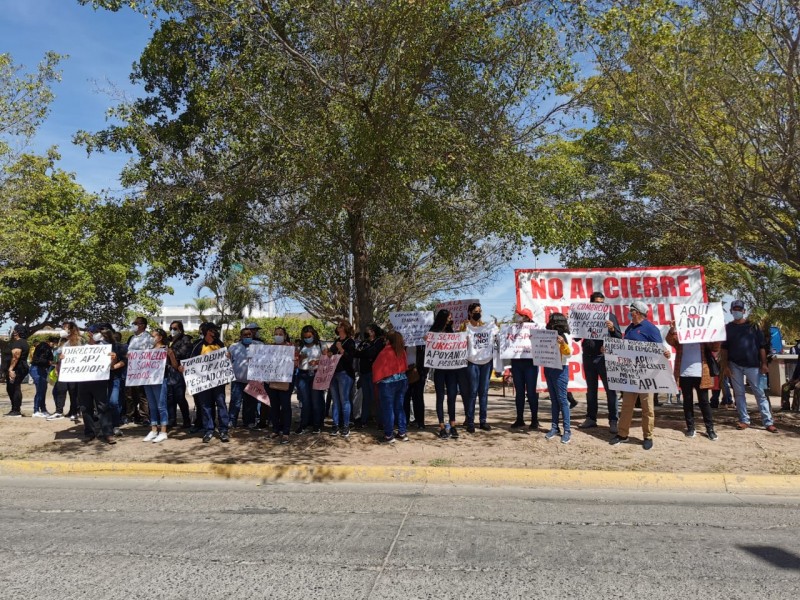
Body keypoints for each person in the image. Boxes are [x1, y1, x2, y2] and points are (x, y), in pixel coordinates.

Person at [610, 301, 671, 450]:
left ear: (637, 312)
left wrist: (665, 353)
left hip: (647, 375)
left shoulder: (651, 329)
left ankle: (647, 436)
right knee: (626, 406)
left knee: (647, 407)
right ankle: (622, 434)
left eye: (631, 310)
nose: (629, 313)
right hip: (631, 373)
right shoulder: (630, 328)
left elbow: (658, 349)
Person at [719, 299, 777, 432]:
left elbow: (762, 347)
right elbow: (724, 349)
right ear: (731, 311)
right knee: (739, 394)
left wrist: (764, 364)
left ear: (744, 311)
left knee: (760, 393)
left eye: (739, 309)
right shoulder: (728, 328)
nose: (737, 312)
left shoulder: (753, 326)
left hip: (753, 366)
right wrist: (725, 366)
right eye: (735, 309)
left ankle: (768, 422)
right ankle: (744, 420)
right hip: (734, 366)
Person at [578, 292, 622, 432]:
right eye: (597, 302)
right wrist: (573, 323)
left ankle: (613, 420)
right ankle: (591, 418)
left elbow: (619, 337)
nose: (600, 305)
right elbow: (576, 338)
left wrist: (612, 329)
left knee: (611, 391)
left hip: (604, 358)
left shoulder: (610, 316)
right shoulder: (584, 317)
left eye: (602, 303)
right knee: (591, 391)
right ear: (591, 303)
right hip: (588, 357)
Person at [665, 326, 719, 441]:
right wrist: (672, 329)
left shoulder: (703, 334)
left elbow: (715, 347)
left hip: (701, 373)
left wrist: (717, 333)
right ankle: (690, 428)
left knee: (704, 402)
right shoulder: (680, 333)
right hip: (684, 373)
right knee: (687, 401)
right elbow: (670, 341)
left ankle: (710, 429)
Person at [183, 322, 230, 443]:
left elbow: (225, 361)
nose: (214, 332)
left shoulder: (220, 344)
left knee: (221, 405)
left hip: (218, 383)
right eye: (212, 330)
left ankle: (224, 430)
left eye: (215, 330)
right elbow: (190, 362)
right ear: (206, 331)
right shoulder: (197, 345)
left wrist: (228, 358)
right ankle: (208, 430)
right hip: (203, 384)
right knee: (206, 407)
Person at [461, 302, 497, 433]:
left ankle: (483, 421)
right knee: (472, 392)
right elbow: (459, 341)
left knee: (484, 392)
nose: (479, 313)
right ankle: (470, 422)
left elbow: (499, 336)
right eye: (476, 311)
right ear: (470, 313)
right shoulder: (465, 327)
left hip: (486, 363)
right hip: (472, 362)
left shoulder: (488, 327)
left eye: (480, 311)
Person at [79, 326, 116, 444]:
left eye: (98, 332)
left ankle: (108, 433)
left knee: (103, 407)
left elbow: (110, 366)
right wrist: (64, 358)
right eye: (94, 332)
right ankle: (89, 433)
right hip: (84, 382)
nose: (97, 334)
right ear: (89, 334)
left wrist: (113, 359)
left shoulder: (104, 348)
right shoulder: (81, 348)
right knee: (85, 408)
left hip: (99, 381)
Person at [373, 330, 409, 443]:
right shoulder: (402, 350)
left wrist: (377, 380)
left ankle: (389, 435)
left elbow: (376, 366)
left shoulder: (385, 351)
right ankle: (402, 433)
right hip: (402, 381)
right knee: (399, 407)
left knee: (388, 408)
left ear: (388, 340)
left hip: (388, 383)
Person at [429, 310, 460, 440]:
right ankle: (441, 426)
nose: (450, 318)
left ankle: (452, 425)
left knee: (452, 396)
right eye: (448, 316)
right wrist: (428, 340)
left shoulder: (450, 330)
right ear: (443, 318)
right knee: (440, 397)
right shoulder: (433, 331)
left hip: (451, 369)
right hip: (439, 369)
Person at [543, 313, 573, 444]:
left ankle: (567, 430)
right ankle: (554, 427)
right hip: (549, 368)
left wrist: (562, 344)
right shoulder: (547, 334)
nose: (549, 323)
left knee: (562, 400)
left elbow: (568, 353)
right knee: (554, 400)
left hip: (561, 369)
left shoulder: (566, 336)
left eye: (551, 321)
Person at [509, 312, 540, 431]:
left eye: (521, 315)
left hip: (530, 363)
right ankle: (520, 418)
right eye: (518, 315)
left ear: (527, 317)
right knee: (519, 392)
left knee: (531, 392)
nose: (518, 317)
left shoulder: (535, 328)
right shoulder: (513, 329)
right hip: (517, 363)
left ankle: (534, 419)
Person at [267, 326, 297, 444]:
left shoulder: (291, 347)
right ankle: (275, 430)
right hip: (272, 380)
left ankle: (285, 432)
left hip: (285, 381)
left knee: (285, 406)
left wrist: (293, 363)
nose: (278, 336)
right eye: (276, 334)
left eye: (280, 334)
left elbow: (296, 363)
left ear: (285, 335)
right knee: (273, 406)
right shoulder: (270, 348)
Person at [353, 324, 385, 429]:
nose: (367, 332)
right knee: (366, 398)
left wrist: (364, 353)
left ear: (373, 331)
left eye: (369, 330)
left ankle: (380, 421)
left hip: (374, 373)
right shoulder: (364, 342)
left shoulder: (379, 342)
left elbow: (372, 353)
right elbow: (357, 353)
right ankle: (364, 420)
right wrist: (364, 353)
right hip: (364, 373)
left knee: (377, 398)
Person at [327, 320, 356, 437]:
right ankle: (335, 424)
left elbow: (351, 358)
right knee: (335, 400)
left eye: (340, 325)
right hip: (333, 373)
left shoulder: (350, 342)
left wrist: (342, 349)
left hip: (345, 374)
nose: (338, 327)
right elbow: (332, 354)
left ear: (345, 328)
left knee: (344, 400)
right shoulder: (336, 341)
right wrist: (328, 353)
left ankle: (345, 425)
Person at [228, 327, 261, 429]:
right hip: (237, 381)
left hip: (252, 381)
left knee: (251, 403)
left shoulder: (259, 346)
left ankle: (249, 422)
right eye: (245, 335)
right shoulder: (233, 347)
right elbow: (228, 362)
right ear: (241, 336)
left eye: (249, 335)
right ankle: (232, 421)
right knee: (235, 402)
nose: (247, 336)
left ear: (252, 335)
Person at [295, 325, 325, 434]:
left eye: (309, 336)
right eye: (305, 337)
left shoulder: (320, 345)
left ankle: (317, 425)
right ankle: (303, 424)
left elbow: (327, 359)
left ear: (314, 335)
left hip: (316, 374)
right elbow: (294, 361)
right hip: (303, 374)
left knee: (316, 401)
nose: (307, 338)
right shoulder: (300, 346)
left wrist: (317, 362)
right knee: (305, 401)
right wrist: (299, 358)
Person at [142, 328, 169, 443]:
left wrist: (171, 354)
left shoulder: (165, 349)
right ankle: (153, 430)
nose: (151, 339)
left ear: (160, 337)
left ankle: (163, 431)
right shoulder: (147, 350)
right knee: (151, 406)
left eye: (153, 336)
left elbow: (173, 364)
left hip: (160, 380)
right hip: (148, 380)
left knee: (161, 406)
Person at [125, 316, 153, 424]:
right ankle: (131, 415)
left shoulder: (148, 338)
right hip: (132, 370)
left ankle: (144, 416)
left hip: (143, 369)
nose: (134, 325)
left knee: (142, 394)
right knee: (130, 394)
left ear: (143, 325)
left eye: (136, 323)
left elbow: (150, 353)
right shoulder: (132, 338)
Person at [165, 321, 192, 428]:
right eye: (171, 328)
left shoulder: (185, 340)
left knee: (180, 397)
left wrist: (172, 354)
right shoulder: (168, 340)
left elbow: (183, 353)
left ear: (180, 329)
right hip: (168, 372)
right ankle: (172, 420)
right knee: (170, 398)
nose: (172, 330)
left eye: (175, 328)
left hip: (179, 372)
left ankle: (186, 420)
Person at [4, 325, 30, 417]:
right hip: (18, 368)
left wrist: (11, 369)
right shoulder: (21, 342)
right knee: (12, 387)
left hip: (17, 368)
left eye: (14, 330)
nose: (13, 332)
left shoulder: (19, 343)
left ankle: (16, 410)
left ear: (17, 332)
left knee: (14, 387)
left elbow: (16, 357)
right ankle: (14, 409)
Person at [30, 335, 57, 417]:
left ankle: (43, 409)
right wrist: (49, 362)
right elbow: (39, 359)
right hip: (37, 369)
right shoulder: (45, 347)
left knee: (43, 389)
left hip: (41, 369)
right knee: (40, 390)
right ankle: (36, 410)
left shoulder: (45, 347)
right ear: (51, 342)